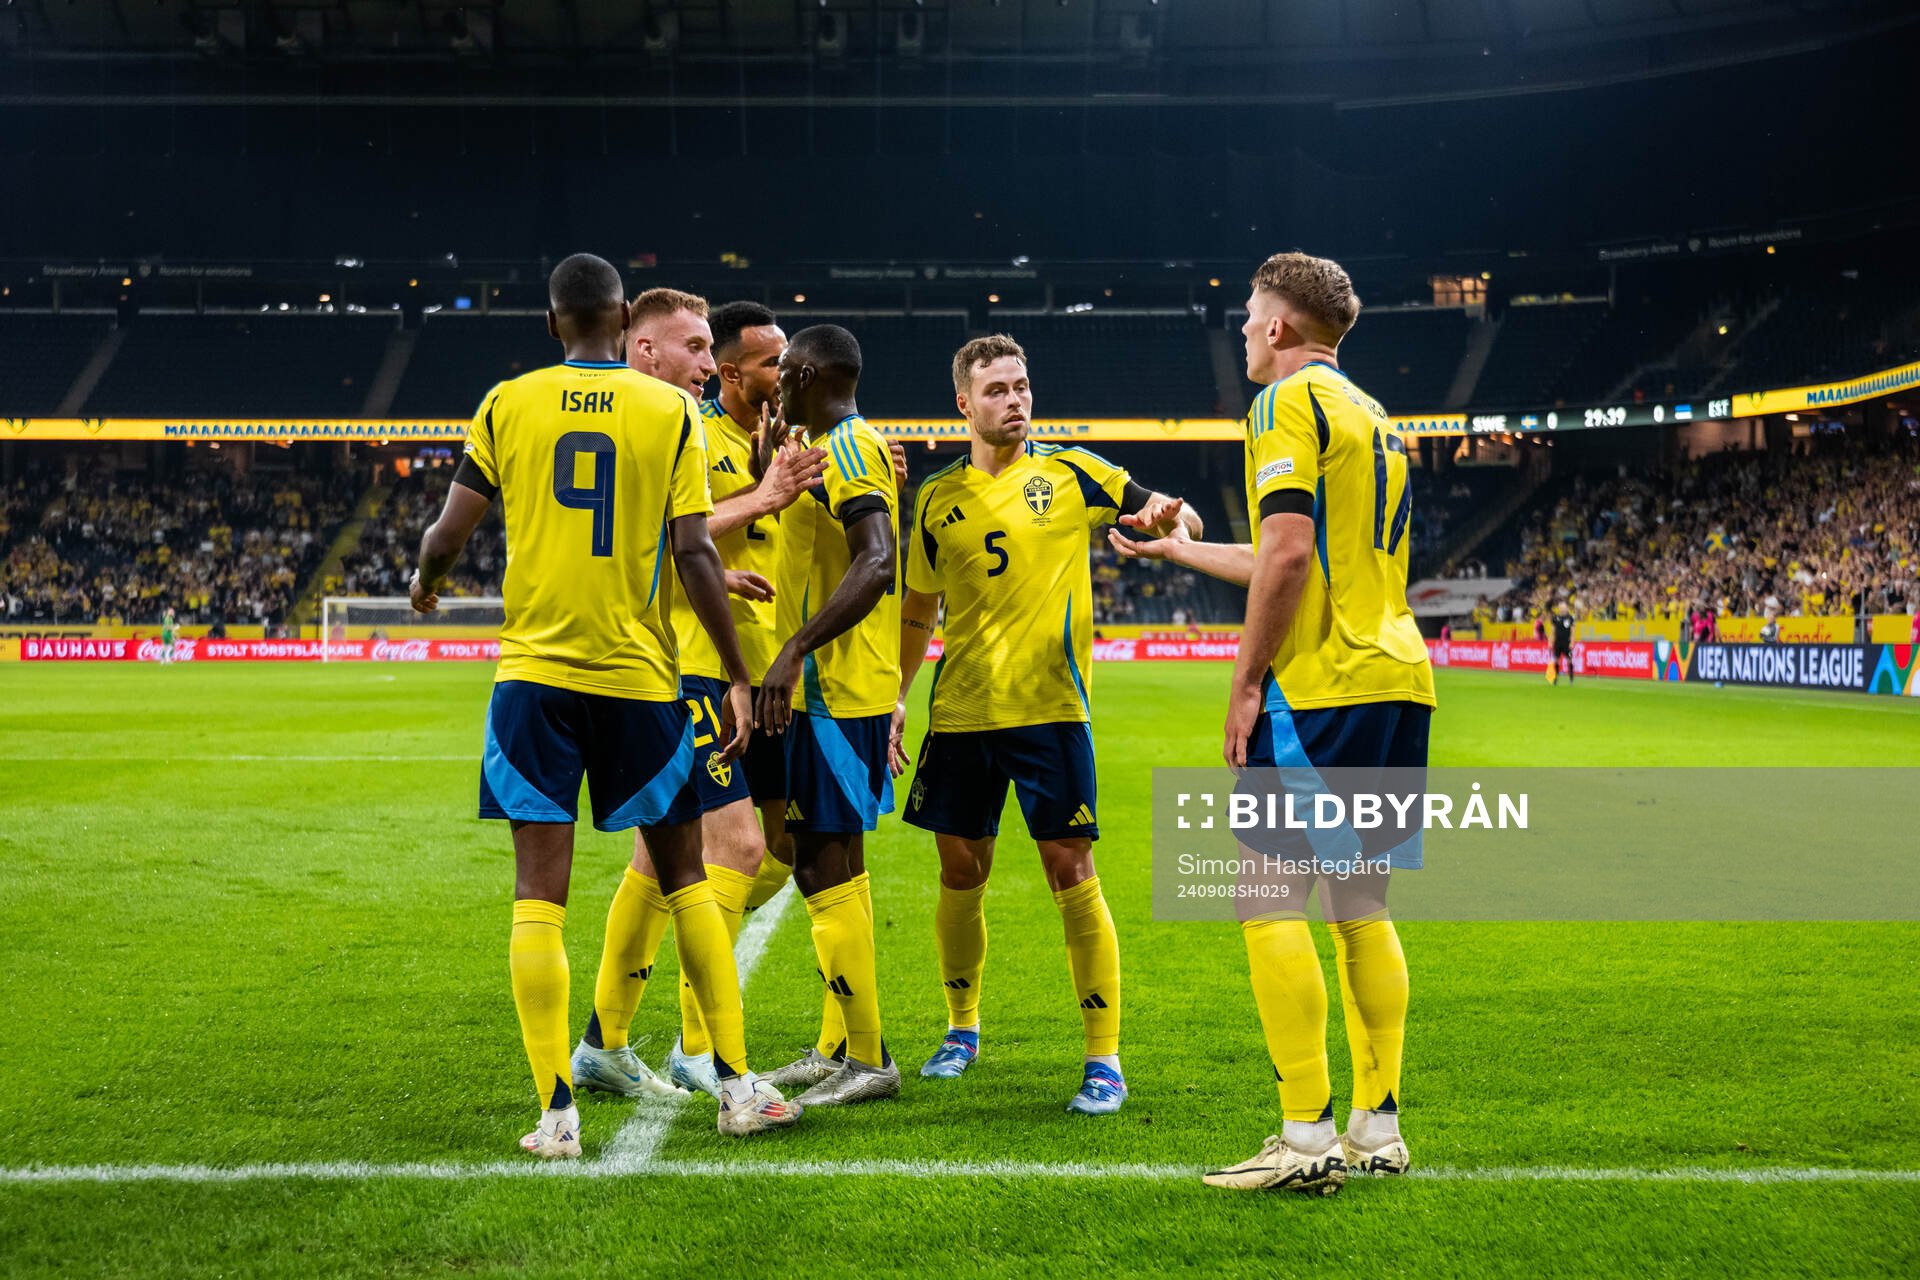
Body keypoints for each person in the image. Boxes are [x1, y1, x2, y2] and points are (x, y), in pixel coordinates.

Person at [409, 254, 803, 1158]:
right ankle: (739, 1089)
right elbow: (697, 552)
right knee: (689, 879)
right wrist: (739, 675)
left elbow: (447, 533)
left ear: (553, 325)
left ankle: (556, 1114)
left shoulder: (506, 402)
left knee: (536, 897)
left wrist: (429, 582)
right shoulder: (669, 413)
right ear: (625, 321)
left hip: (533, 682)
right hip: (637, 680)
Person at [1112, 252, 1434, 1194]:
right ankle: (1377, 1129)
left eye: (1251, 315)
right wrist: (1184, 549)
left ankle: (1302, 1138)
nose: (1244, 329)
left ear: (1282, 328)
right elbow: (1297, 554)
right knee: (1361, 908)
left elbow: (1290, 559)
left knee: (1265, 899)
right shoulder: (1372, 415)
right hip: (1395, 676)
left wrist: (1247, 680)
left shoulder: (1281, 405)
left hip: (1321, 684)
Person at [893, 335, 1201, 1114]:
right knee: (961, 874)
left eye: (1023, 386)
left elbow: (1171, 509)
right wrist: (897, 696)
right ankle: (962, 1028)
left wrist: (1171, 516)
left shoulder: (1072, 471)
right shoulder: (934, 499)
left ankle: (1104, 1060)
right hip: (960, 712)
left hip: (1051, 711)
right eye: (996, 389)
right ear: (964, 403)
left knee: (1073, 872)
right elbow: (917, 612)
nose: (1016, 400)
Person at [568, 291, 830, 1103]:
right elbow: (661, 529)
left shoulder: (765, 441)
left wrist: (781, 485)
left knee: (669, 855)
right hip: (685, 668)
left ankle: (605, 1042)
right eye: (766, 362)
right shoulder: (669, 424)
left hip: (742, 668)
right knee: (739, 849)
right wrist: (761, 497)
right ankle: (699, 1046)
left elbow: (720, 539)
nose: (782, 375)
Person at [753, 324, 904, 1106]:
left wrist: (796, 649)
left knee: (816, 862)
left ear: (807, 371)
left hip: (836, 692)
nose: (775, 381)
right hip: (846, 688)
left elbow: (877, 560)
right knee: (837, 861)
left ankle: (870, 1058)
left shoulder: (849, 446)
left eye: (783, 370)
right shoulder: (838, 446)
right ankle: (839, 1043)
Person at [1548, 604, 1575, 684]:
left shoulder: (1570, 618)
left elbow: (1573, 631)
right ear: (1559, 609)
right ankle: (1555, 677)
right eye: (1561, 608)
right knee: (1556, 660)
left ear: (1567, 608)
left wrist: (1572, 642)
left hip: (1567, 643)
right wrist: (1550, 641)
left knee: (1569, 660)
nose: (1562, 609)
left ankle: (1571, 677)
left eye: (1564, 608)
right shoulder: (1555, 618)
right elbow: (1552, 631)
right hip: (1557, 643)